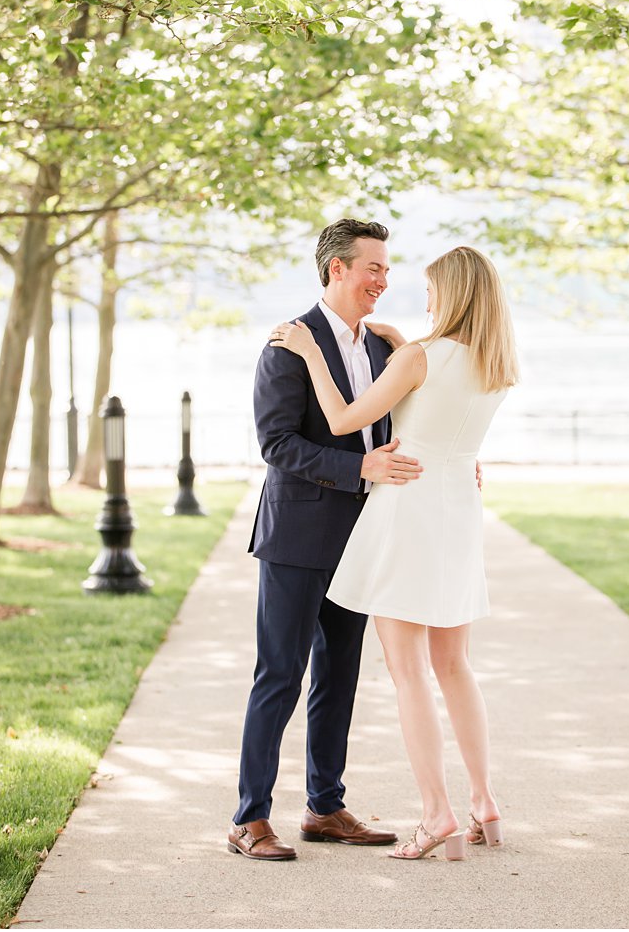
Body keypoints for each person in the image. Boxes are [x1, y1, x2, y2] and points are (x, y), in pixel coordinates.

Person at [269, 244, 517, 861]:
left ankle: (438, 817)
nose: (423, 296)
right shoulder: (495, 361)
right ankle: (484, 802)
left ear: (453, 293)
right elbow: (441, 405)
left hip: (407, 508)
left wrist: (308, 353)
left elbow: (347, 417)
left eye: (432, 288)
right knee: (455, 665)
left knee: (408, 672)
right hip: (458, 511)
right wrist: (408, 341)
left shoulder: (416, 356)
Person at [227, 219, 423, 862]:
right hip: (297, 536)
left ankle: (324, 807)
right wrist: (356, 468)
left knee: (340, 677)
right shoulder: (288, 345)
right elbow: (276, 444)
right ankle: (249, 819)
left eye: (387, 269)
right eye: (374, 267)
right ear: (337, 268)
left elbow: (393, 424)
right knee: (279, 675)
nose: (383, 280)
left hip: (363, 537)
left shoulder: (383, 349)